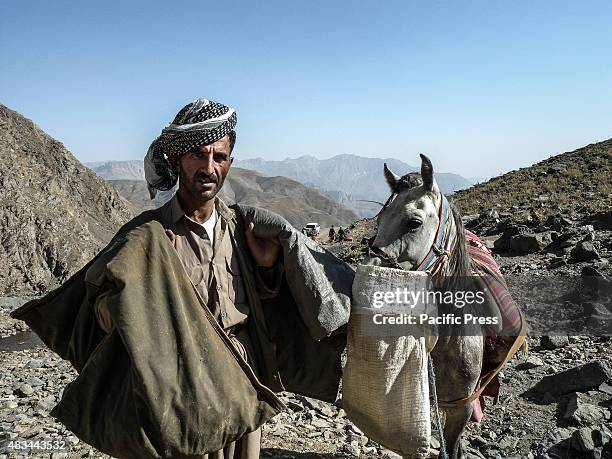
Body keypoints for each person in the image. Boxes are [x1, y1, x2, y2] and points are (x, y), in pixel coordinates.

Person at [103, 99, 281, 459]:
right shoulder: (147, 237)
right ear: (177, 160)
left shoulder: (238, 228)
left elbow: (252, 307)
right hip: (181, 391)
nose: (209, 168)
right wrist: (129, 299)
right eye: (198, 155)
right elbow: (104, 314)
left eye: (220, 157)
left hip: (241, 383)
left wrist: (265, 268)